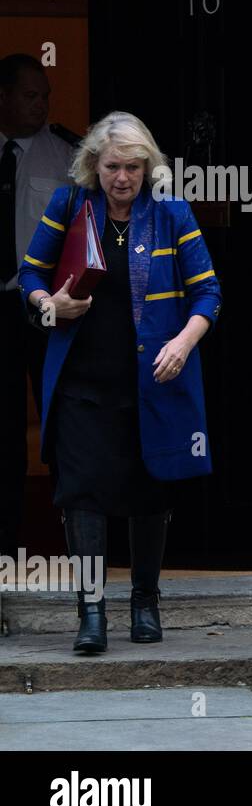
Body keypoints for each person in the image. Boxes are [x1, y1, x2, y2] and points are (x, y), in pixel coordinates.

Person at [19, 111, 222, 653]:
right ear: (93, 165)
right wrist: (49, 305)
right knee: (83, 496)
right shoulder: (69, 205)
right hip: (83, 384)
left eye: (133, 166)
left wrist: (182, 342)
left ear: (148, 166)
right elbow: (30, 277)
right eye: (112, 167)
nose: (123, 178)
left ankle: (145, 602)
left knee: (149, 492)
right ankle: (91, 614)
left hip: (151, 382)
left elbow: (209, 295)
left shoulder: (171, 212)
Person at [0, 53, 79, 564]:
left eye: (45, 95)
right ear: (2, 97)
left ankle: (73, 541)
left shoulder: (66, 156)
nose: (41, 105)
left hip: (43, 306)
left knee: (61, 419)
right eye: (30, 95)